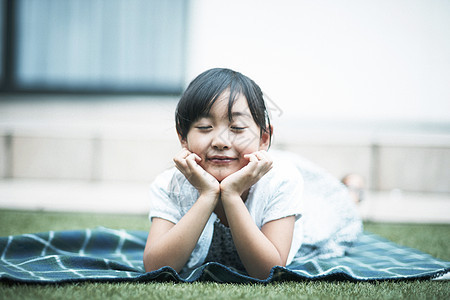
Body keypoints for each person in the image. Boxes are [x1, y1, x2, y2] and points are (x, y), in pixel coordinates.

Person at [143, 68, 362, 279]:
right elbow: (155, 268)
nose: (220, 142)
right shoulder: (170, 185)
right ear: (183, 135)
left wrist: (230, 195)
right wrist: (207, 195)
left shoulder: (282, 180)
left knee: (333, 207)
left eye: (237, 128)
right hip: (252, 164)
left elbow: (269, 271)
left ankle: (352, 189)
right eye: (204, 127)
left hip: (288, 187)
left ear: (264, 137)